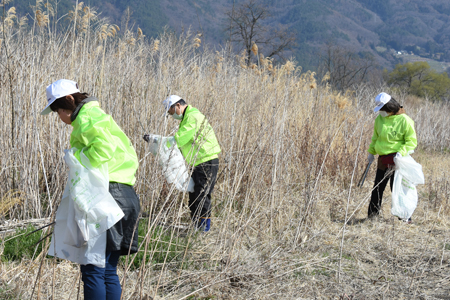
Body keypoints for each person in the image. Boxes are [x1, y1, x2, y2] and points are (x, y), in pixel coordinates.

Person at [41, 79, 140, 300]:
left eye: (58, 111)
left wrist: (74, 157)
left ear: (69, 101)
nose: (60, 117)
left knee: (93, 269)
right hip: (126, 195)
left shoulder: (86, 118)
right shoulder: (102, 117)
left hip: (105, 196)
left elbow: (103, 149)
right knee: (107, 270)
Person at [145, 95, 221, 232]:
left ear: (178, 106)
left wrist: (156, 140)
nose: (171, 115)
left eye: (171, 112)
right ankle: (196, 226)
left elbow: (179, 139)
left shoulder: (192, 117)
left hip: (206, 161)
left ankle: (204, 230)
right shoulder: (187, 118)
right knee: (194, 194)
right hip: (199, 162)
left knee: (202, 195)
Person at [367, 92, 417, 222]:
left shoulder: (405, 120)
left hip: (398, 160)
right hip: (383, 159)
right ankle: (372, 217)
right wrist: (371, 152)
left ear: (390, 107)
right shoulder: (379, 119)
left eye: (383, 109)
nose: (382, 112)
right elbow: (375, 137)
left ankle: (405, 218)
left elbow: (411, 141)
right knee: (377, 188)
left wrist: (401, 152)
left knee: (397, 190)